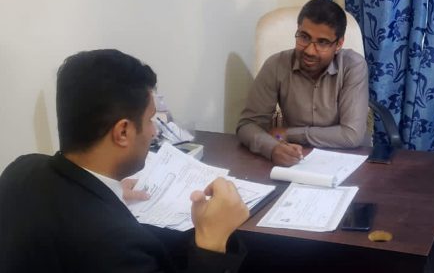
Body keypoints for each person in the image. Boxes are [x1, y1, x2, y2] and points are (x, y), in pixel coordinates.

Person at [0, 50, 250, 273]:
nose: (154, 132)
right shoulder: (118, 248)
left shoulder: (21, 170)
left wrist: (110, 193)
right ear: (122, 132)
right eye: (150, 120)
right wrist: (211, 243)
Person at [237, 0, 369, 166]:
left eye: (322, 42)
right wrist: (272, 148)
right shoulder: (276, 65)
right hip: (295, 157)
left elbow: (351, 135)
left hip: (346, 159)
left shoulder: (353, 66)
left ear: (338, 44)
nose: (310, 51)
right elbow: (247, 125)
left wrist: (289, 133)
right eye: (304, 37)